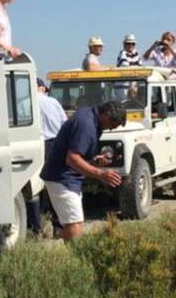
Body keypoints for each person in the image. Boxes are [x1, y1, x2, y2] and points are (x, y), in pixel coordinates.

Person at [41, 101, 127, 242]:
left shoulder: (91, 118)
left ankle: (72, 256)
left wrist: (93, 161)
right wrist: (101, 174)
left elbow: (75, 157)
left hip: (67, 177)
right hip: (62, 178)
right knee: (74, 224)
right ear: (106, 115)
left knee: (74, 222)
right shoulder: (86, 124)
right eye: (112, 125)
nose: (111, 129)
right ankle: (75, 259)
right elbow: (72, 159)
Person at [26, 78, 68, 236]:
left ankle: (36, 228)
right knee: (56, 185)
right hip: (54, 145)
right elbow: (64, 124)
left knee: (34, 188)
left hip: (34, 146)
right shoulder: (53, 102)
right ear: (42, 88)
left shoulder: (25, 103)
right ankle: (58, 226)